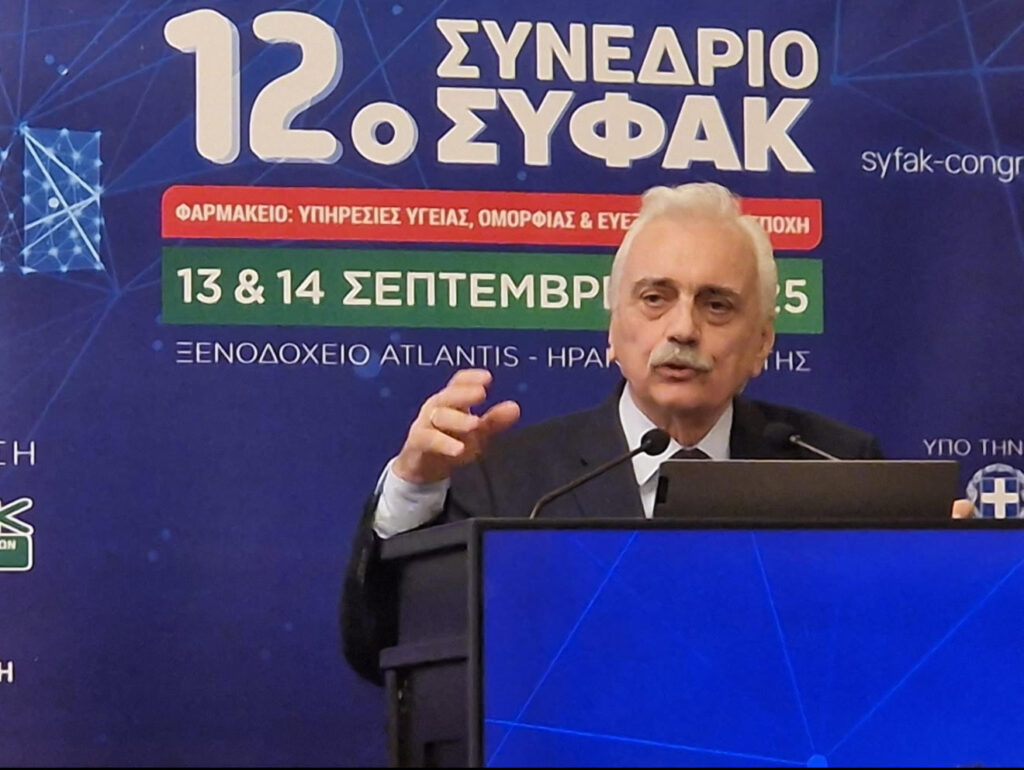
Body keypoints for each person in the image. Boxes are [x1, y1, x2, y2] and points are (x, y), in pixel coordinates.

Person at [341, 182, 971, 684]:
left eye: (716, 304)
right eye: (654, 298)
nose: (683, 329)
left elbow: (894, 667)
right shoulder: (509, 480)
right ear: (613, 329)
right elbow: (384, 652)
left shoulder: (838, 467)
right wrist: (413, 488)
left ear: (762, 343)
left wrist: (949, 583)